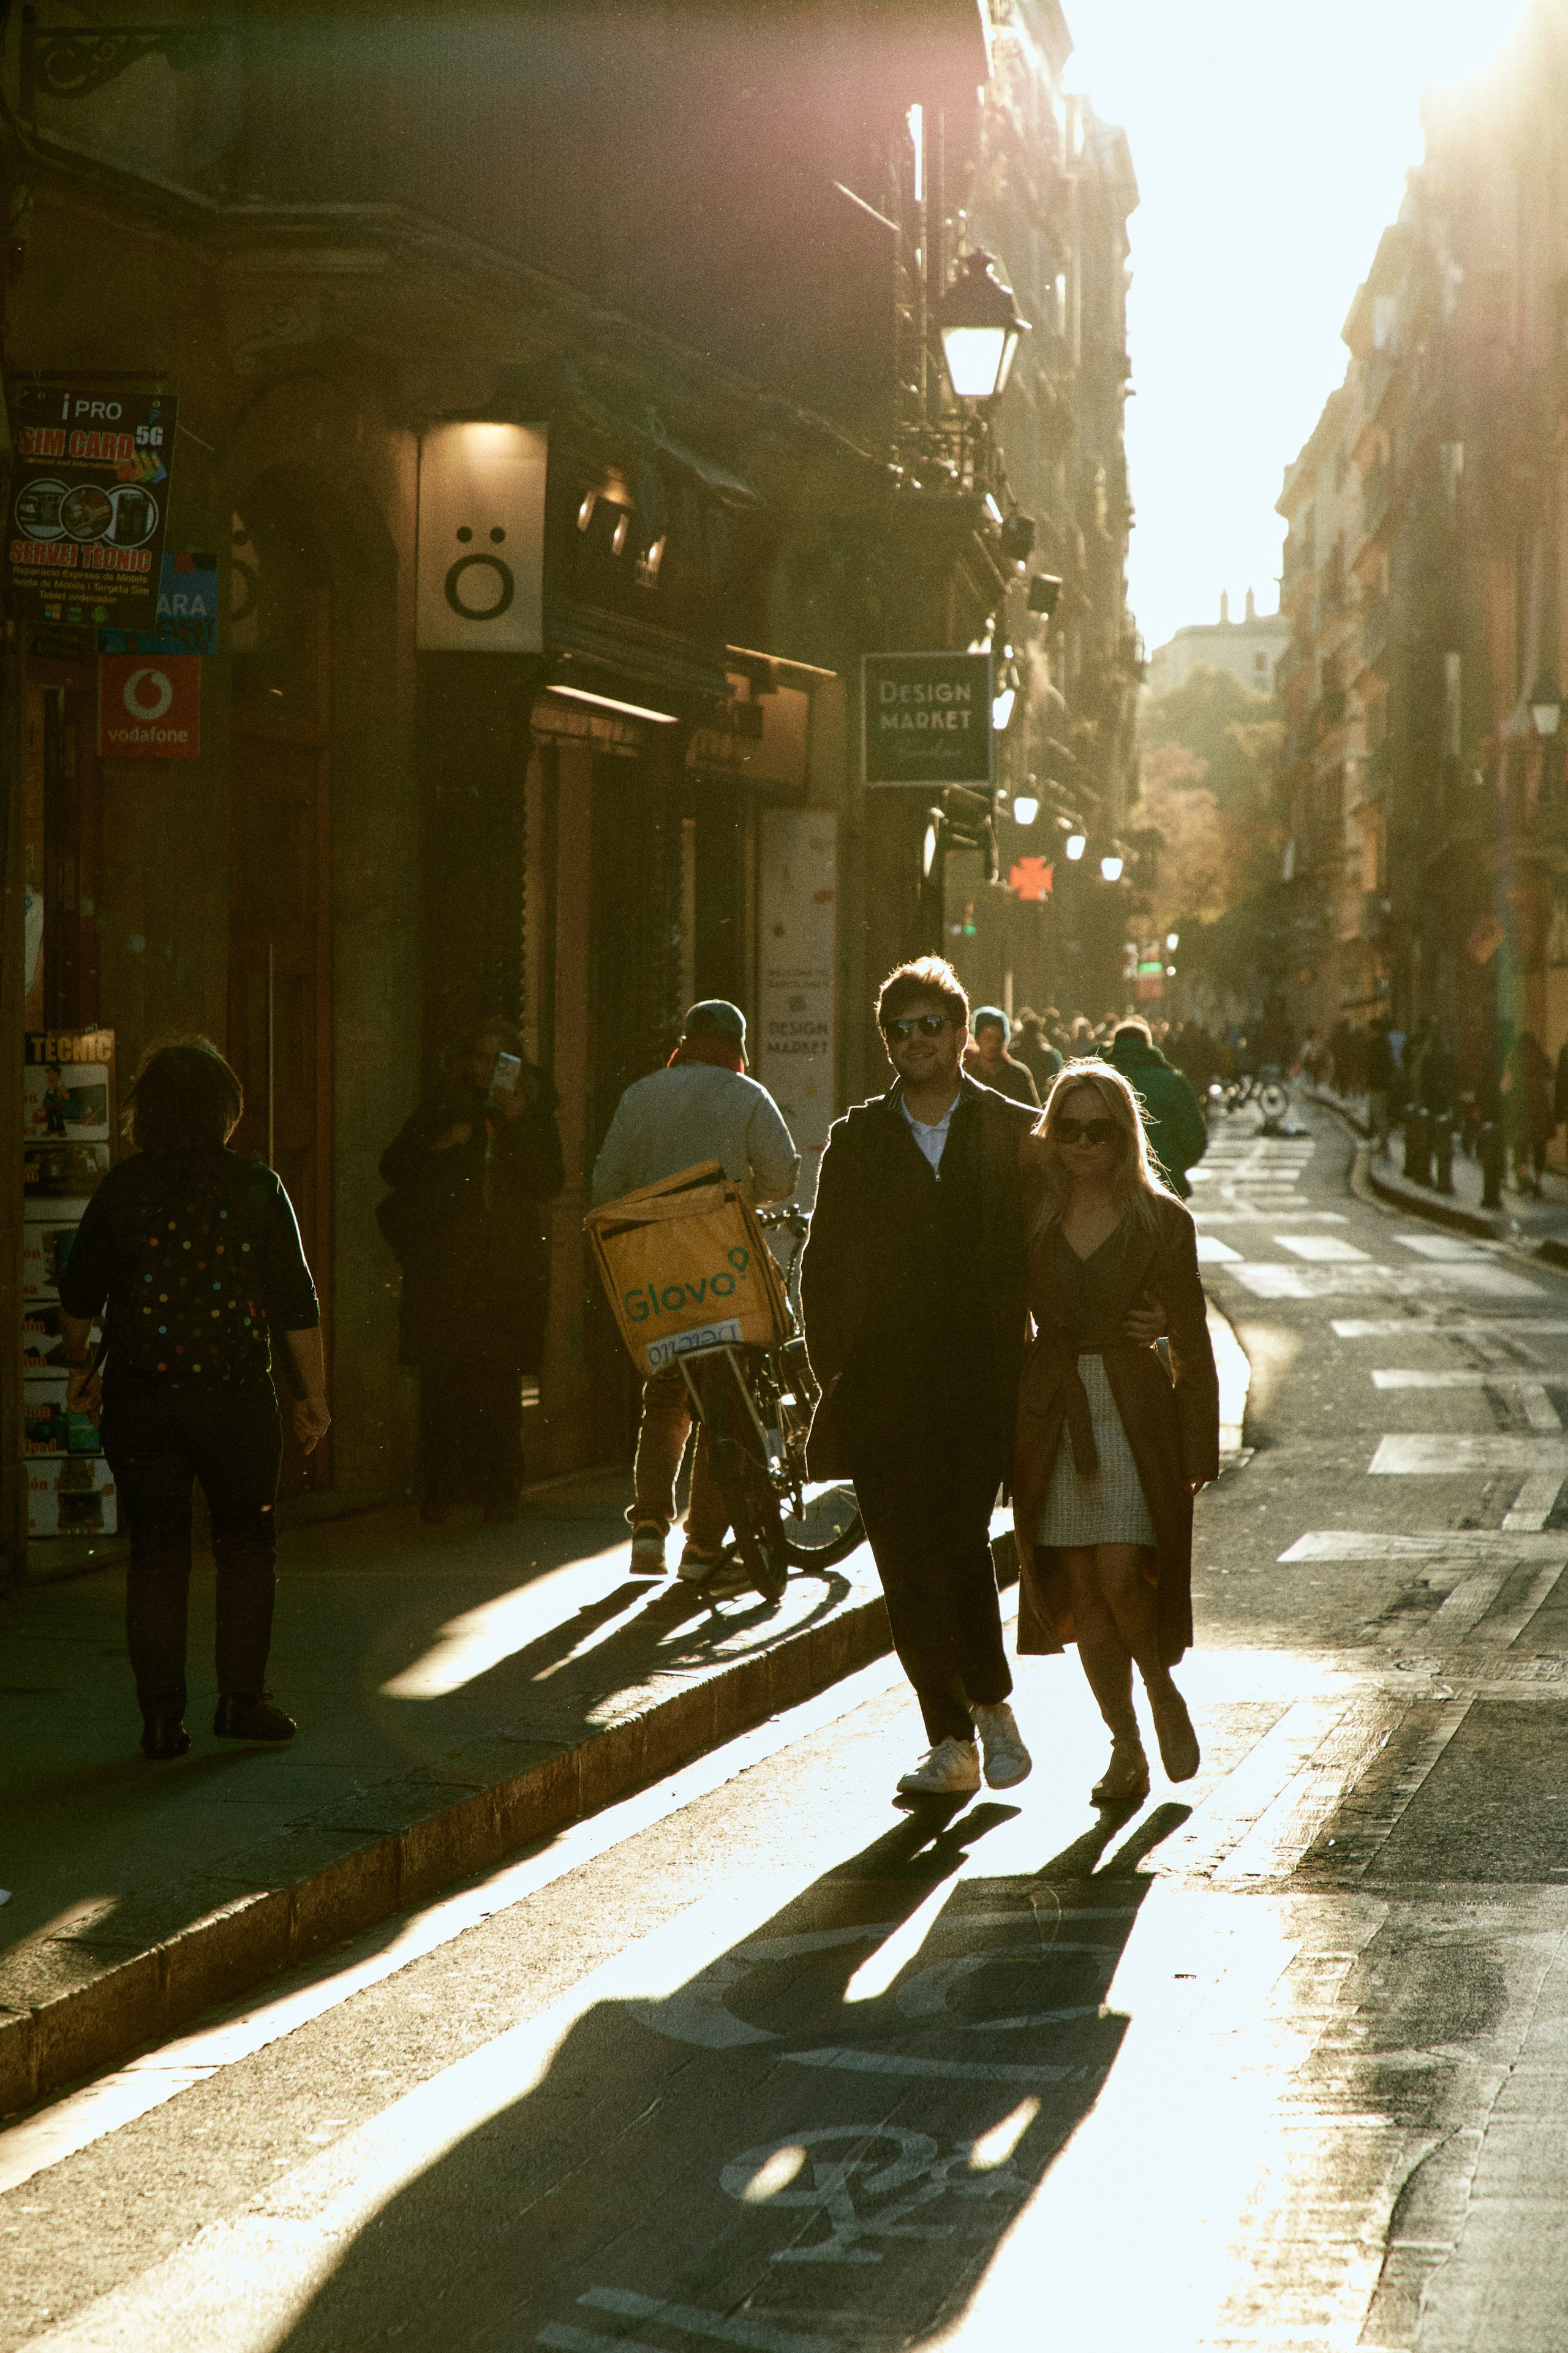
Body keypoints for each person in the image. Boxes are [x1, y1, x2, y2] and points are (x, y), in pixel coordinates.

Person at [800, 957, 1041, 1800]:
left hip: (980, 1385)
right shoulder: (858, 1138)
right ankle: (951, 1741)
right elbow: (821, 1265)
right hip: (884, 1390)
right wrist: (836, 1371)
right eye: (898, 1029)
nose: (914, 1040)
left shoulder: (1012, 1130)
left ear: (963, 1033)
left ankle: (992, 1705)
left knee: (957, 1542)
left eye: (929, 1025)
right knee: (902, 1570)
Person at [56, 1040, 329, 1762]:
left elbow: (79, 1296)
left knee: (156, 1556)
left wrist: (80, 1367)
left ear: (145, 1112)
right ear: (225, 1110)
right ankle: (241, 1700)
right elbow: (297, 1304)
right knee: (247, 1546)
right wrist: (313, 1396)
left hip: (143, 1399)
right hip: (236, 1400)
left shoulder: (123, 1189)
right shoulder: (258, 1186)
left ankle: (159, 1719)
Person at [1011, 1060, 1219, 1804]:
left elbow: (1191, 1338)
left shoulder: (1163, 1220)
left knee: (1121, 1572)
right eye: (1067, 1128)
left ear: (1124, 1135)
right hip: (1053, 1413)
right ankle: (1124, 1746)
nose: (1081, 1143)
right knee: (1082, 1588)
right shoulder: (1030, 1211)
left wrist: (1198, 1446)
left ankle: (1160, 1689)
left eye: (1098, 1130)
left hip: (1133, 1410)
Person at [591, 1000, 799, 1583]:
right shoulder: (747, 1094)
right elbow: (782, 1176)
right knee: (723, 1400)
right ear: (738, 1046)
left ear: (685, 1042)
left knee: (666, 1396)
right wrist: (738, 1197)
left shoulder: (639, 1094)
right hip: (723, 1264)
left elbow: (606, 1185)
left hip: (655, 1271)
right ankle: (703, 1546)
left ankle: (648, 1528)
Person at [380, 1018, 564, 1525]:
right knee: (441, 1380)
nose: (487, 1069)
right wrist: (444, 1143)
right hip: (447, 1267)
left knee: (499, 1381)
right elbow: (393, 1166)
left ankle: (500, 1488)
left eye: (499, 1060)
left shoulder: (531, 1111)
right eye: (480, 1057)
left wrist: (517, 1122)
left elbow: (549, 1181)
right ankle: (438, 1488)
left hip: (504, 1269)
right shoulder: (444, 1107)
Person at [1099, 1018, 1208, 1198]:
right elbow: (1194, 1140)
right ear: (1149, 1044)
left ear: (1115, 1044)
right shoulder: (1173, 1081)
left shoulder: (1101, 1080)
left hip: (1111, 1184)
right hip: (1165, 1183)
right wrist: (1174, 1165)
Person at [1502, 1029, 1555, 1196]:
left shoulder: (1514, 1057)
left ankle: (1523, 1178)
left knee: (1520, 1144)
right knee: (1540, 1145)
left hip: (1521, 1105)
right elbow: (1551, 1075)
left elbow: (1506, 1084)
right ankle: (1538, 1183)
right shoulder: (1541, 1057)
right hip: (1540, 1105)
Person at [963, 1006, 1041, 1108]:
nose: (994, 1044)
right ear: (977, 1039)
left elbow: (1035, 1114)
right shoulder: (968, 1075)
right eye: (988, 1038)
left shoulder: (1019, 1075)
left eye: (999, 1039)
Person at [1011, 1008, 1063, 1100]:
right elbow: (1056, 1075)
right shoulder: (1048, 1053)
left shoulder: (1015, 1051)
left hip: (1024, 1095)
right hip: (1037, 1095)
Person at [1366, 1019, 1394, 1150]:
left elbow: (1374, 1065)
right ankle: (1383, 1140)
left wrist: (1370, 1080)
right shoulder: (1384, 1043)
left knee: (1378, 1112)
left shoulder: (1377, 1044)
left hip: (1378, 1083)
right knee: (1380, 1112)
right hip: (1383, 1083)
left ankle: (1384, 1141)